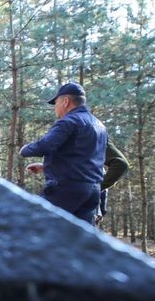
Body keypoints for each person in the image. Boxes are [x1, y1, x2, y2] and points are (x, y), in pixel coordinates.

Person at [20, 82, 107, 224]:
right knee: (78, 239)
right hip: (93, 192)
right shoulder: (100, 125)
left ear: (66, 101)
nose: (55, 108)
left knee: (35, 224)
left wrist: (25, 150)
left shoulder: (69, 121)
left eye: (56, 103)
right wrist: (45, 166)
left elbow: (44, 145)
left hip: (67, 190)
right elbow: (84, 158)